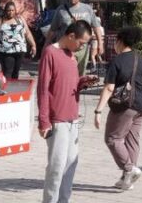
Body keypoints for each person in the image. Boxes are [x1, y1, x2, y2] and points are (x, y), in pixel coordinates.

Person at [39, 20, 95, 203]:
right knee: (56, 167)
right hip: (58, 120)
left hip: (73, 119)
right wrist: (44, 120)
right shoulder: (50, 53)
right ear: (71, 36)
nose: (82, 47)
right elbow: (43, 88)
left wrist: (83, 81)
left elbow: (69, 83)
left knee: (70, 164)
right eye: (81, 43)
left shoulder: (71, 56)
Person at [94, 25, 142, 191]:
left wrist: (98, 111)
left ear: (120, 41)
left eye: (115, 42)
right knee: (132, 139)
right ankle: (127, 179)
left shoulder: (117, 61)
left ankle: (129, 169)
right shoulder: (139, 58)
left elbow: (109, 88)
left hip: (126, 105)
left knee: (113, 138)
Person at [49, 0, 100, 71]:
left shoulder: (87, 9)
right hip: (65, 48)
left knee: (80, 74)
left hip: (82, 49)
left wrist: (100, 44)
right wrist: (46, 44)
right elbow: (52, 29)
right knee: (65, 72)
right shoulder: (61, 9)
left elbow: (96, 27)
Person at [0, 0, 36, 80]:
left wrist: (33, 45)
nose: (10, 12)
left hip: (19, 50)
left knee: (16, 72)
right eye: (8, 10)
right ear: (5, 11)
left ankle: (14, 89)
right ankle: (7, 89)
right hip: (6, 51)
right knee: (8, 71)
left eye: (12, 10)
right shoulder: (0, 20)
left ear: (15, 11)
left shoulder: (20, 19)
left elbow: (27, 33)